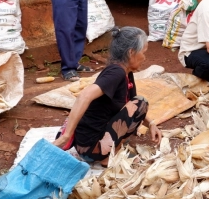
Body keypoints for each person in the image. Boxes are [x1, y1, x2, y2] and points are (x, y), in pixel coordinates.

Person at [53, 26, 161, 165]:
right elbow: (84, 96)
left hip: (87, 146)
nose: (144, 57)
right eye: (143, 52)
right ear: (131, 52)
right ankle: (109, 155)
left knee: (137, 103)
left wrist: (151, 124)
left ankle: (109, 151)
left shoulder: (126, 73)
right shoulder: (116, 73)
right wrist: (66, 136)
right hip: (90, 148)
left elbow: (130, 106)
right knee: (141, 102)